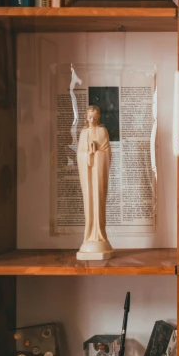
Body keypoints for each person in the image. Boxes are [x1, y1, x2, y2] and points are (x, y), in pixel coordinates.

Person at [76, 105, 114, 259]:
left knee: (98, 199)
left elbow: (107, 153)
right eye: (90, 117)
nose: (92, 120)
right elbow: (79, 154)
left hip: (98, 172)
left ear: (98, 119)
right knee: (89, 200)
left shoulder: (102, 131)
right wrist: (87, 151)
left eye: (95, 118)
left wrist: (97, 151)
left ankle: (100, 234)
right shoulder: (83, 132)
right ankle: (89, 234)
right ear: (86, 118)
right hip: (88, 173)